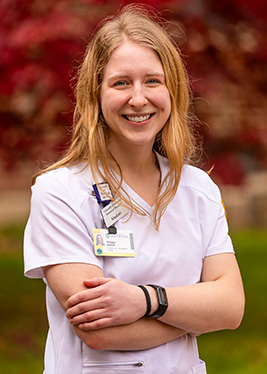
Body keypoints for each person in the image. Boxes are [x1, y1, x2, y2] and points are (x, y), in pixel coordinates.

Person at [23, 4, 245, 374]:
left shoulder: (197, 188)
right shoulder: (58, 193)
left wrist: (145, 301)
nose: (138, 99)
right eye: (121, 82)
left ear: (172, 91)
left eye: (153, 81)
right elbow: (99, 332)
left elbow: (231, 307)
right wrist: (194, 313)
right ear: (96, 93)